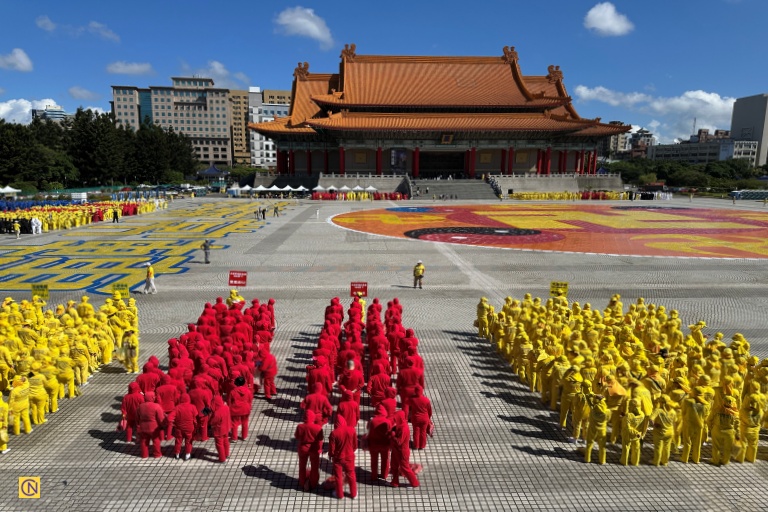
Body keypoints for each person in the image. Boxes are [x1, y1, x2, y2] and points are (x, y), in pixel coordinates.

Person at [328, 415, 357, 499]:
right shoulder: (352, 430)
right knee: (351, 474)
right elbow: (355, 445)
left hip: (338, 458)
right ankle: (353, 494)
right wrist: (352, 450)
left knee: (338, 476)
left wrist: (331, 455)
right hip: (349, 457)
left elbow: (332, 448)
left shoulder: (334, 433)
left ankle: (339, 494)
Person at [294, 410, 323, 491]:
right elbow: (320, 438)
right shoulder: (318, 427)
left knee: (302, 466)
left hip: (303, 448)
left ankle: (302, 482)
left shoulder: (300, 427)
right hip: (314, 448)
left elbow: (297, 436)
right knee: (314, 467)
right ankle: (313, 483)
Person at [137, 391, 165, 458]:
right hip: (154, 427)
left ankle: (144, 455)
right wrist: (162, 425)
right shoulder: (156, 406)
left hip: (143, 427)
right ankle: (157, 454)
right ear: (152, 397)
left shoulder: (140, 406)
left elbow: (137, 417)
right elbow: (160, 418)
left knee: (144, 441)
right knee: (156, 441)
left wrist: (138, 425)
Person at [172, 394, 199, 460]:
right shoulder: (192, 407)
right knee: (188, 441)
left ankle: (177, 454)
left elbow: (170, 417)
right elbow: (195, 416)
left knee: (178, 441)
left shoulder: (177, 407)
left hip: (179, 428)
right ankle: (187, 455)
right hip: (189, 428)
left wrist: (173, 424)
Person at [210, 395, 231, 463]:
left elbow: (213, 422)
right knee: (226, 441)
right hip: (226, 427)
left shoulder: (217, 412)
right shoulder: (226, 407)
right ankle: (226, 454)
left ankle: (222, 458)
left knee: (219, 444)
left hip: (219, 430)